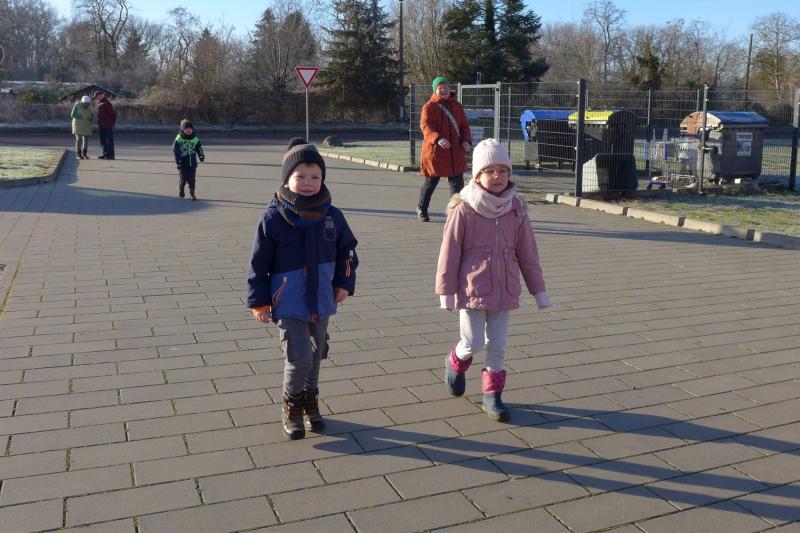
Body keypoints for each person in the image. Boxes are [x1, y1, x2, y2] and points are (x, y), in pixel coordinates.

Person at [247, 138, 358, 440]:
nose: (308, 183)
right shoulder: (274, 218)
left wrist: (344, 283)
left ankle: (310, 399)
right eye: (300, 176)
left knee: (317, 352)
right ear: (286, 179)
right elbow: (258, 263)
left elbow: (347, 252)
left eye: (315, 177)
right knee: (299, 355)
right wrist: (258, 302)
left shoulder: (332, 216)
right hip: (289, 301)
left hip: (321, 298)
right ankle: (292, 404)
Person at [435, 138, 551, 422]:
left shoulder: (516, 209)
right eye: (490, 171)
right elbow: (449, 252)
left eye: (503, 171)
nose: (497, 176)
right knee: (473, 342)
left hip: (505, 288)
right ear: (478, 175)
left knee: (498, 344)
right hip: (471, 289)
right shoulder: (464, 209)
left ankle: (493, 396)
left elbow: (528, 253)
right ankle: (456, 360)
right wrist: (445, 291)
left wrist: (538, 290)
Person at [417, 76, 472, 222]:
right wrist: (438, 138)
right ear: (435, 90)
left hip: (455, 152)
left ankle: (455, 213)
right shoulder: (429, 107)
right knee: (430, 183)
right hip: (436, 153)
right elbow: (426, 126)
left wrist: (466, 141)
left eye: (445, 87)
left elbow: (464, 126)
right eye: (440, 88)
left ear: (449, 88)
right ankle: (422, 208)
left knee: (457, 185)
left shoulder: (457, 106)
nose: (443, 90)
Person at [172, 119, 205, 200]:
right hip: (182, 163)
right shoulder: (179, 139)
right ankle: (181, 188)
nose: (189, 131)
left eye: (190, 129)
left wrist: (201, 156)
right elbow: (175, 150)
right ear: (183, 130)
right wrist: (178, 161)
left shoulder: (195, 139)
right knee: (183, 179)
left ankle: (192, 194)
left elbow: (199, 148)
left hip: (192, 163)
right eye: (187, 130)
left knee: (192, 179)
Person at [70, 95, 94, 160]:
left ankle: (84, 153)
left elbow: (92, 115)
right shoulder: (77, 105)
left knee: (86, 140)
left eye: (88, 103)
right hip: (78, 125)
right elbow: (72, 115)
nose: (87, 104)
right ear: (83, 102)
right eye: (86, 103)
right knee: (79, 140)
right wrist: (82, 116)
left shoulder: (89, 106)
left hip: (87, 125)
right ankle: (79, 153)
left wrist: (91, 118)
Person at [96, 92, 116, 160]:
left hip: (107, 125)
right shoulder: (100, 103)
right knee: (103, 139)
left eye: (97, 96)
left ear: (101, 95)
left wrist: (113, 123)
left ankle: (111, 155)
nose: (96, 98)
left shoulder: (107, 103)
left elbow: (113, 114)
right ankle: (105, 154)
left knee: (109, 140)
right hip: (101, 125)